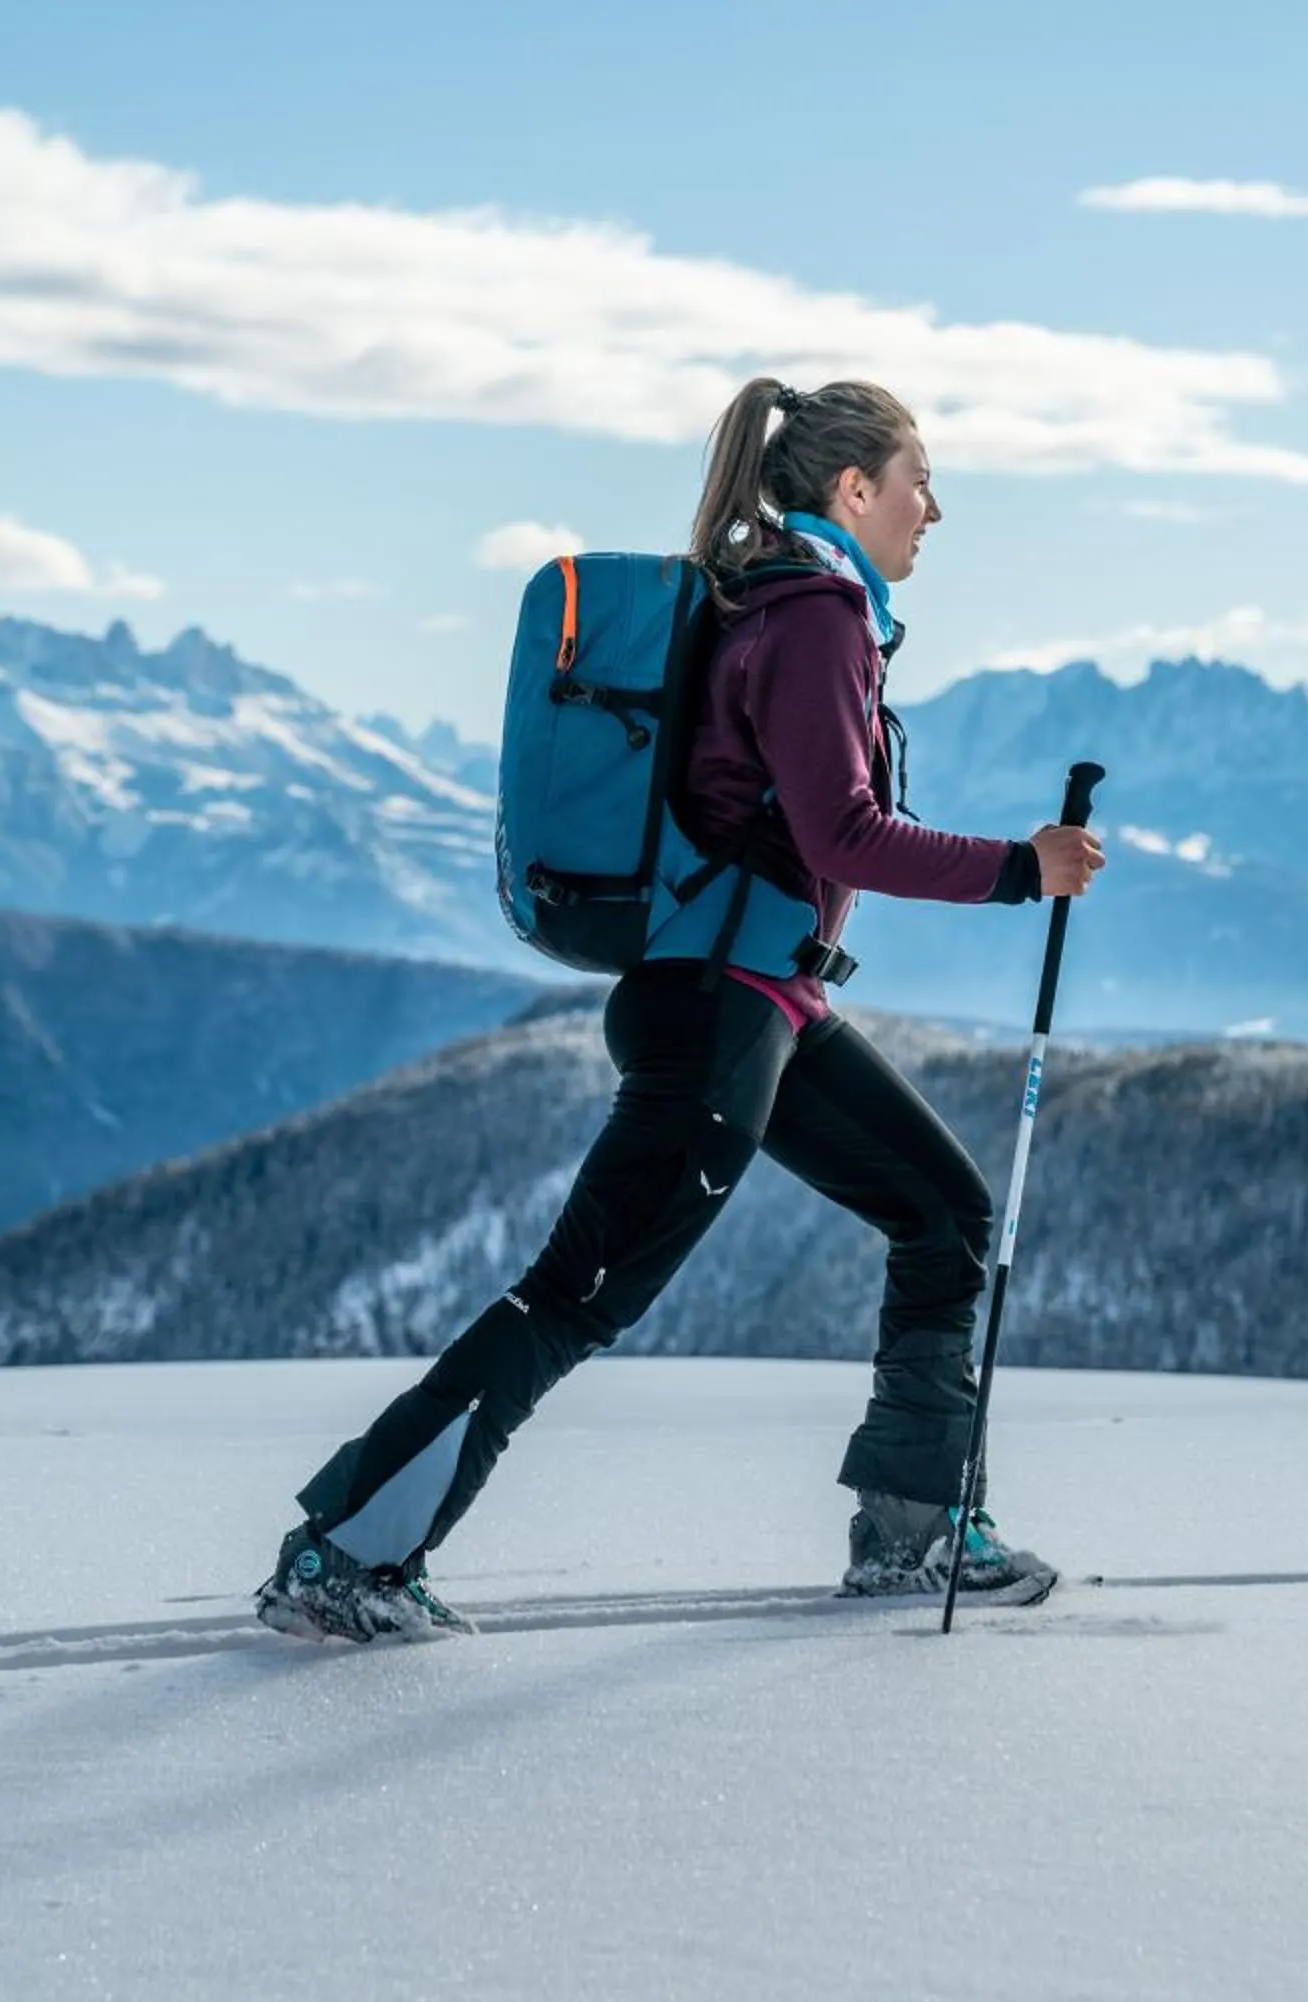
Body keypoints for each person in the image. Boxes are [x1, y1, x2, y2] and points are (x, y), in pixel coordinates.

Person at [256, 377, 1108, 1642]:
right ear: (851, 490)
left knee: (943, 1210)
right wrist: (1014, 871)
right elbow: (842, 831)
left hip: (762, 1004)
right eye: (918, 479)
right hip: (720, 1014)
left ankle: (913, 1531)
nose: (936, 507)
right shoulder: (814, 618)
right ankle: (344, 1553)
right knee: (576, 1293)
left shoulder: (785, 604)